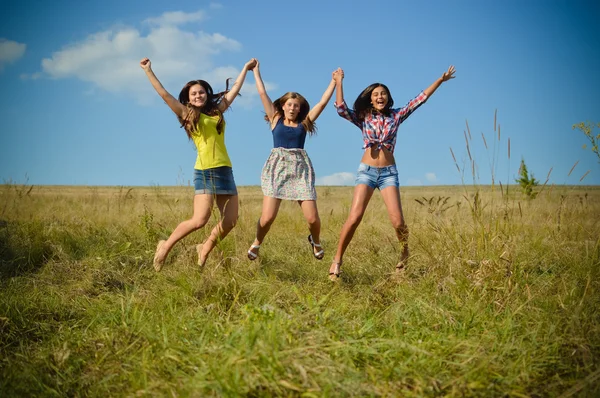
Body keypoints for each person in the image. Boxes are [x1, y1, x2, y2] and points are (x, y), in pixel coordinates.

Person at [328, 65, 456, 280]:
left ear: (388, 97)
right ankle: (337, 260)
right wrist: (339, 82)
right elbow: (340, 108)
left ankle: (405, 252)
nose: (380, 96)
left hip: (388, 173)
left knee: (398, 222)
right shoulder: (363, 117)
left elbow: (420, 99)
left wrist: (440, 80)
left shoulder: (396, 116)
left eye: (383, 93)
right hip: (366, 172)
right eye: (376, 94)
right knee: (355, 217)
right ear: (370, 99)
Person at [140, 57, 257, 271]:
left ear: (207, 93)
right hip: (205, 171)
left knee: (230, 221)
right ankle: (165, 247)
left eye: (201, 92)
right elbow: (164, 94)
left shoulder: (216, 111)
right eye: (193, 93)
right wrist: (149, 71)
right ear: (188, 98)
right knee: (199, 220)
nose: (198, 95)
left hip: (225, 170)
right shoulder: (187, 114)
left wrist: (245, 69)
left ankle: (204, 248)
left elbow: (234, 91)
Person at [246, 61, 342, 261]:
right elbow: (263, 94)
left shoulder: (304, 123)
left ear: (300, 109)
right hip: (278, 168)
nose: (292, 108)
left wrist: (334, 82)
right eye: (289, 104)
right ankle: (257, 241)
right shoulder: (275, 119)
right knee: (267, 218)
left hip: (300, 170)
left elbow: (322, 103)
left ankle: (315, 241)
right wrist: (256, 72)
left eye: (296, 106)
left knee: (312, 218)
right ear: (283, 106)